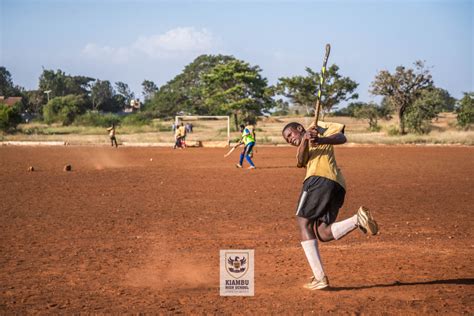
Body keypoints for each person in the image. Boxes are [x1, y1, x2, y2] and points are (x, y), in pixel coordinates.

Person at [282, 121, 379, 290]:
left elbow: (342, 137)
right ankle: (358, 219)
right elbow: (300, 160)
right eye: (286, 139)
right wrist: (305, 140)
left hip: (318, 179)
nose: (289, 140)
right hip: (336, 185)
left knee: (303, 221)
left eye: (290, 135)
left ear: (299, 128)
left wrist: (321, 139)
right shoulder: (304, 143)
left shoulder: (318, 125)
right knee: (323, 233)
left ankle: (320, 278)